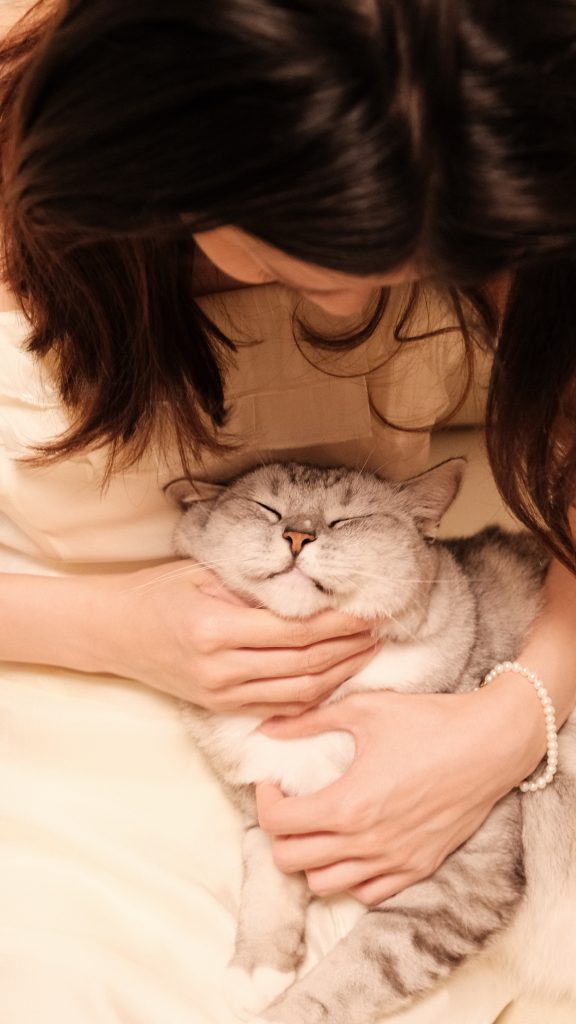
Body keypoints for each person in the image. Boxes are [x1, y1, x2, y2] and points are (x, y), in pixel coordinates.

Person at [1, 1, 576, 1022]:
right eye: (286, 263)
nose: (347, 311)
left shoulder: (494, 148)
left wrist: (510, 720)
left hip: (428, 681)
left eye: (411, 275)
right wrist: (108, 627)